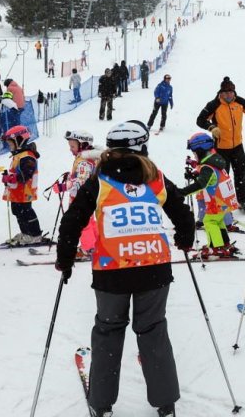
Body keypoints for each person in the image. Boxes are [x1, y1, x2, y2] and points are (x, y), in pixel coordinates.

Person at [54, 121, 194, 417]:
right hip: (153, 267)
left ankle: (102, 403)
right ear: (142, 147)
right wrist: (185, 237)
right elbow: (181, 209)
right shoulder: (155, 177)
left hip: (112, 271)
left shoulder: (100, 180)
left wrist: (65, 259)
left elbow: (73, 219)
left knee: (108, 331)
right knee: (153, 330)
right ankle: (165, 402)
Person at [195, 76, 245, 213]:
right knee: (221, 178)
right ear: (220, 93)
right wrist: (212, 127)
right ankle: (222, 203)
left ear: (234, 92)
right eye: (225, 92)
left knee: (240, 176)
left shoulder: (239, 102)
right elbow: (200, 120)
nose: (228, 95)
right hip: (220, 149)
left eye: (231, 92)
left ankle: (242, 200)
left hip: (237, 146)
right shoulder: (214, 104)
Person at [179, 132, 240, 258]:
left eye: (195, 153)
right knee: (218, 222)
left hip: (216, 201)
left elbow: (201, 184)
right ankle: (224, 243)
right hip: (224, 200)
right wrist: (195, 173)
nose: (195, 156)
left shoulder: (207, 167)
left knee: (209, 221)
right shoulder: (215, 160)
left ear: (201, 151)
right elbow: (210, 176)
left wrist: (182, 192)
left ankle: (215, 247)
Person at [59, 130, 101, 260]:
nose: (70, 149)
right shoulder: (86, 158)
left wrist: (64, 186)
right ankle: (96, 244)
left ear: (82, 145)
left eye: (73, 146)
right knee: (90, 221)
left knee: (83, 223)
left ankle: (88, 249)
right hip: (88, 196)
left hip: (82, 197)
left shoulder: (84, 161)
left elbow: (81, 182)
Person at [1, 126, 43, 246]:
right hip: (17, 192)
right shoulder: (19, 155)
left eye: (11, 143)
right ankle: (25, 233)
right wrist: (8, 178)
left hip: (26, 191)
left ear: (19, 140)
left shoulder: (27, 156)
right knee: (17, 211)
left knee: (26, 211)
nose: (10, 146)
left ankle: (35, 234)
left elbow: (26, 174)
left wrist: (12, 178)